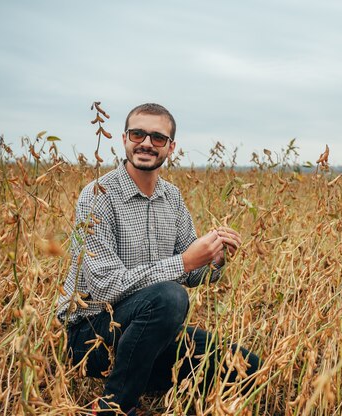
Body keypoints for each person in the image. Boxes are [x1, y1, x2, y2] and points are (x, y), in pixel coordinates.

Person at [57, 103, 261, 415]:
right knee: (169, 296)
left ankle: (158, 386)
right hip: (92, 337)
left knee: (248, 367)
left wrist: (215, 259)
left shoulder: (173, 198)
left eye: (158, 137)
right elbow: (103, 288)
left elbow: (193, 274)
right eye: (138, 134)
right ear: (124, 138)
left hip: (149, 337)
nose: (147, 143)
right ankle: (114, 407)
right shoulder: (97, 196)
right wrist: (185, 262)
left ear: (171, 147)